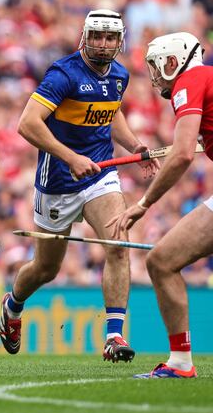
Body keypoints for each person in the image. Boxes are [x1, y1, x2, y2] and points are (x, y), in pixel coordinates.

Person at [0, 9, 158, 362]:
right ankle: (12, 306)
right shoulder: (63, 74)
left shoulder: (119, 75)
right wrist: (70, 157)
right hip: (58, 180)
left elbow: (111, 112)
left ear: (120, 42)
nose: (103, 44)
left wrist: (134, 146)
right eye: (97, 36)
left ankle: (114, 336)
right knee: (46, 269)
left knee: (117, 244)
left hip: (101, 175)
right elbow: (27, 125)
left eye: (110, 38)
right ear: (84, 37)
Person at [109, 32, 209, 379]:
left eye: (155, 66)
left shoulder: (190, 81)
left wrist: (143, 203)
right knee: (163, 260)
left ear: (171, 62)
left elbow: (181, 154)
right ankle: (180, 363)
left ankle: (181, 363)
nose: (153, 76)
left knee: (162, 261)